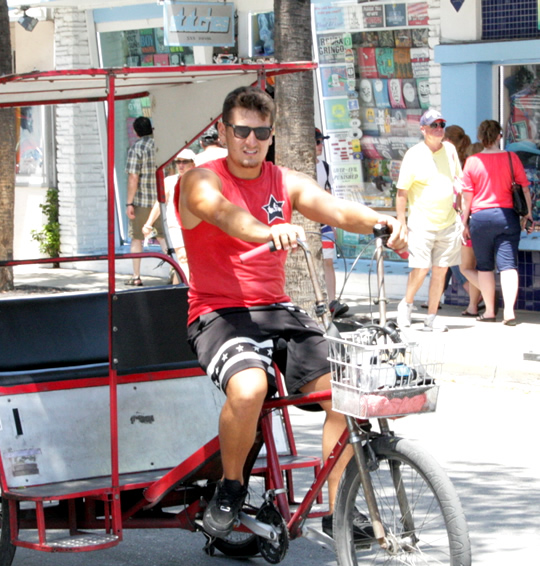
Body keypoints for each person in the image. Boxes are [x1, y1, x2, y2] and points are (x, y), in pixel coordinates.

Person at [175, 85, 407, 539]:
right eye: (241, 130)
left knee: (347, 390)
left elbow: (336, 209)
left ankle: (339, 509)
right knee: (249, 388)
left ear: (271, 135)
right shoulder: (201, 180)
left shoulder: (285, 180)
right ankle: (231, 486)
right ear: (223, 130)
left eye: (261, 133)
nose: (251, 141)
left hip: (278, 311)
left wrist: (383, 221)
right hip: (218, 314)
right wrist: (267, 230)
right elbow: (223, 215)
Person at [460, 119, 535, 326]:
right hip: (506, 217)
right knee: (508, 266)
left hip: (480, 219)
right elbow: (525, 188)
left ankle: (491, 311)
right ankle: (509, 313)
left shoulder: (472, 161)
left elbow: (467, 198)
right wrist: (527, 214)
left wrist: (464, 223)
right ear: (499, 136)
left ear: (481, 138)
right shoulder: (512, 158)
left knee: (484, 267)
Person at [395, 109, 463, 332]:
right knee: (421, 268)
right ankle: (406, 305)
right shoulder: (414, 154)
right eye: (434, 125)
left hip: (448, 222)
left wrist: (462, 214)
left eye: (442, 124)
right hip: (422, 224)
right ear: (423, 129)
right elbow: (402, 192)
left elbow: (459, 182)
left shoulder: (451, 150)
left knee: (441, 270)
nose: (439, 128)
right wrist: (401, 223)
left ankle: (431, 318)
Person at [443, 124, 483, 316]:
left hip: (461, 218)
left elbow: (458, 196)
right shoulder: (472, 159)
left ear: (448, 141)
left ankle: (483, 292)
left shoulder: (453, 164)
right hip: (480, 217)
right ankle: (473, 305)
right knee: (470, 265)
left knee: (459, 263)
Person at [125, 116, 167, 286]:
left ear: (136, 132)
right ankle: (176, 272)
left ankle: (136, 276)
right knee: (164, 238)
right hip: (161, 200)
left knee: (137, 239)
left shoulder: (136, 148)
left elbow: (133, 177)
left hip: (142, 200)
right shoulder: (160, 146)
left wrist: (129, 202)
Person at [145, 148, 196, 283]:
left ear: (193, 164)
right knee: (182, 258)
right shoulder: (169, 181)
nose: (180, 165)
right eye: (177, 162)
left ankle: (179, 290)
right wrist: (148, 224)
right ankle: (183, 292)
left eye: (185, 162)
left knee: (189, 262)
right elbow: (159, 204)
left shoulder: (199, 181)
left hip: (195, 226)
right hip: (175, 225)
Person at [315, 127, 348, 318]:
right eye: (318, 141)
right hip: (306, 223)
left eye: (321, 142)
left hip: (324, 222)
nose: (321, 146)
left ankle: (331, 301)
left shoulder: (325, 167)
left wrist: (333, 224)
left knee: (328, 261)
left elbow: (329, 195)